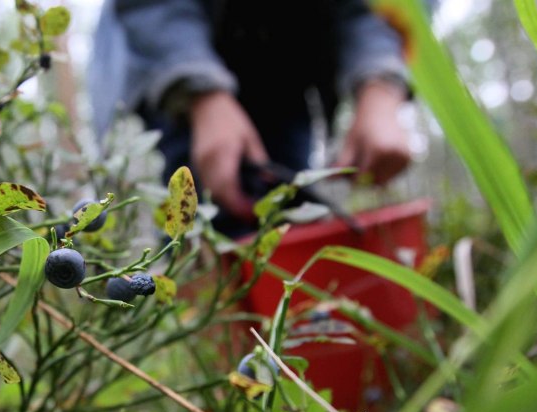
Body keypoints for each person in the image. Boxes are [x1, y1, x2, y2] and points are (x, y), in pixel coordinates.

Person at [88, 0, 414, 236]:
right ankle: (202, 303)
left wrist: (380, 86)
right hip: (176, 49)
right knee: (205, 214)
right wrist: (200, 93)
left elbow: (364, 12)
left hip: (283, 63)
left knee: (285, 213)